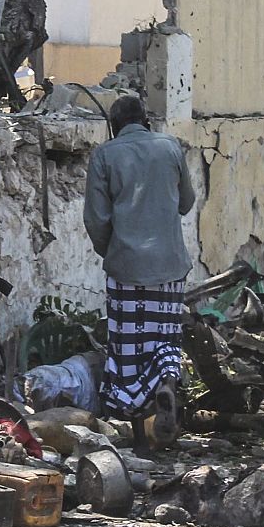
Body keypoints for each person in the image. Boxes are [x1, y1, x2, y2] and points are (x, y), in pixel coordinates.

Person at [83, 92, 196, 445]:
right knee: (165, 339)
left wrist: (113, 251)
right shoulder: (171, 147)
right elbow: (186, 202)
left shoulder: (105, 155)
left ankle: (135, 425)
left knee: (128, 349)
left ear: (114, 128)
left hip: (126, 270)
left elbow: (96, 219)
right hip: (170, 268)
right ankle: (165, 383)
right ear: (146, 121)